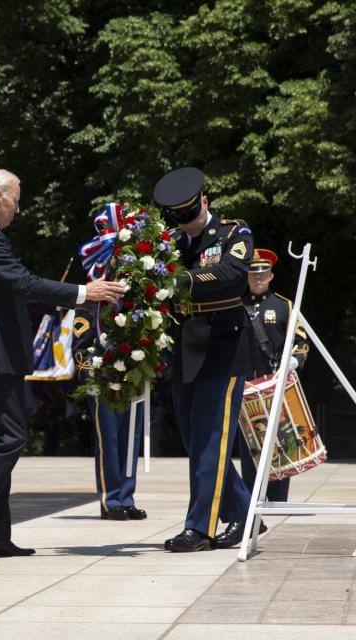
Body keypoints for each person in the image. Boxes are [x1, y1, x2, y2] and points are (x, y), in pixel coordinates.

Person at [0, 169, 124, 559]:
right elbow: (23, 283)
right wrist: (83, 292)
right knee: (11, 437)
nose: (18, 210)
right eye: (17, 201)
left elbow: (15, 291)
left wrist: (76, 299)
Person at [154, 167, 256, 552]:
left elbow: (232, 275)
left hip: (222, 347)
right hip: (185, 347)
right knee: (193, 438)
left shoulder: (234, 232)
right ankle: (247, 516)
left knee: (211, 439)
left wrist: (185, 280)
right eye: (180, 219)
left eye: (191, 215)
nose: (188, 225)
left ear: (205, 202)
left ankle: (200, 528)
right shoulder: (175, 243)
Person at [238, 248, 309, 503]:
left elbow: (301, 340)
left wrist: (294, 360)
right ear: (246, 276)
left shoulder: (284, 306)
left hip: (274, 384)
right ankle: (250, 501)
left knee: (281, 444)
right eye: (253, 273)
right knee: (249, 447)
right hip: (245, 387)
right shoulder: (236, 305)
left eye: (263, 273)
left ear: (270, 276)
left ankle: (277, 501)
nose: (258, 278)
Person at [72, 308, 147, 520]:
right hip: (102, 382)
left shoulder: (132, 303)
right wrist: (96, 375)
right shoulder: (89, 304)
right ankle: (111, 500)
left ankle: (126, 497)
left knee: (130, 440)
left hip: (132, 378)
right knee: (109, 442)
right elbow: (80, 350)